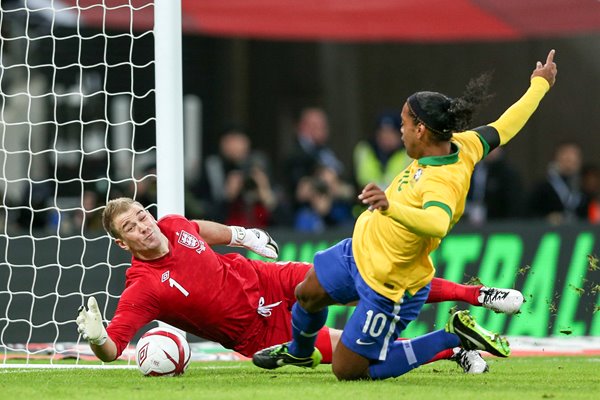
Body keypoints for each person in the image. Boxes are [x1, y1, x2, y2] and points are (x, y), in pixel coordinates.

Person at [252, 50, 557, 380]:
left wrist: (389, 206)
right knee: (308, 293)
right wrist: (539, 84)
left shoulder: (444, 181)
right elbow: (504, 126)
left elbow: (437, 222)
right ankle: (298, 353)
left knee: (348, 370)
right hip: (360, 251)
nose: (400, 130)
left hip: (391, 284)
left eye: (404, 123)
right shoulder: (464, 144)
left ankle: (451, 338)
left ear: (421, 130)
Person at [76, 197, 523, 373]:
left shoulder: (171, 225)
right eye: (132, 228)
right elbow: (114, 348)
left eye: (142, 215)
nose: (144, 226)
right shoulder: (143, 287)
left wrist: (242, 236)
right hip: (260, 333)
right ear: (122, 243)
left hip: (268, 278)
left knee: (371, 272)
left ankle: (480, 296)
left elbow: (198, 228)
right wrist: (98, 339)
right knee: (359, 362)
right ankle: (452, 343)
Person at [528, 141, 586, 224]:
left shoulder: (583, 188)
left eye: (574, 156)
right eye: (566, 155)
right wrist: (546, 219)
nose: (570, 159)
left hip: (581, 233)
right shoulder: (543, 187)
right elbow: (529, 214)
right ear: (556, 158)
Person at [353, 112, 411, 190]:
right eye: (382, 132)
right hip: (368, 199)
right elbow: (357, 183)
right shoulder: (365, 149)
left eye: (391, 133)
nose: (386, 137)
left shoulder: (409, 153)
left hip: (398, 199)